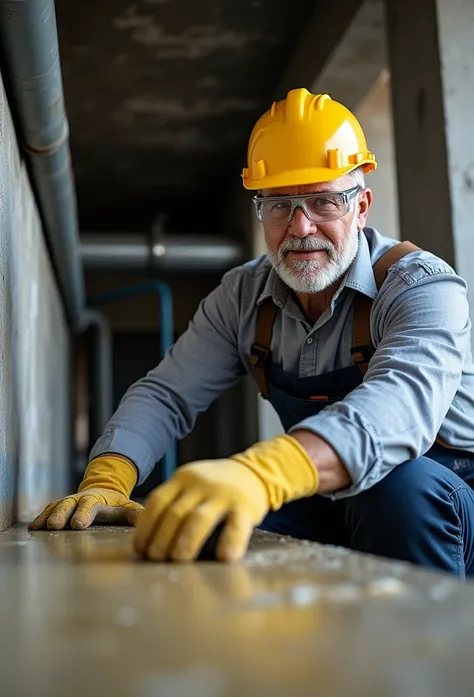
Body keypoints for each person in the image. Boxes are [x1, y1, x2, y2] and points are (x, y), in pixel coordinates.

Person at [30, 88, 474, 577]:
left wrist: (263, 473)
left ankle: (427, 642)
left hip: (446, 508)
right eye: (280, 205)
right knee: (209, 518)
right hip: (332, 500)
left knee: (395, 489)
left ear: (361, 206)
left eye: (324, 202)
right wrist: (109, 477)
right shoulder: (243, 297)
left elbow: (402, 403)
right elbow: (167, 394)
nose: (301, 227)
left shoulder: (421, 287)